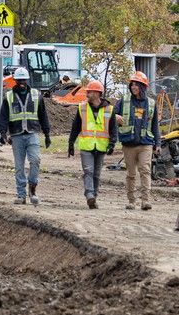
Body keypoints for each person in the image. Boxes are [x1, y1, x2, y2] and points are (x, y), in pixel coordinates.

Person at [0, 66, 52, 205]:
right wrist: (2, 133)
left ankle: (32, 189)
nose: (21, 82)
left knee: (35, 160)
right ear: (15, 81)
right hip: (16, 135)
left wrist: (47, 134)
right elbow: (3, 117)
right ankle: (21, 195)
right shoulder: (9, 97)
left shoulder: (36, 95)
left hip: (32, 133)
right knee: (19, 166)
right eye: (19, 80)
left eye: (24, 80)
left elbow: (43, 115)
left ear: (27, 80)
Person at [113, 70, 160, 210]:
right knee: (131, 174)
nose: (133, 87)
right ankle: (131, 201)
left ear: (143, 86)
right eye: (132, 84)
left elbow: (155, 125)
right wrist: (115, 117)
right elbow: (110, 113)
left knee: (145, 171)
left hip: (145, 144)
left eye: (136, 84)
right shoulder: (124, 100)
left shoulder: (151, 103)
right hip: (129, 144)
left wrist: (157, 143)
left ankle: (145, 201)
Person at [67, 80, 116, 209]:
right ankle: (89, 195)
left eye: (89, 91)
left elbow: (113, 129)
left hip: (101, 146)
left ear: (97, 93)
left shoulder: (109, 109)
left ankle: (94, 196)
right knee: (88, 171)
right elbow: (75, 127)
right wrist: (71, 143)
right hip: (86, 146)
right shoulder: (82, 107)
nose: (87, 93)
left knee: (96, 174)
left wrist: (112, 144)